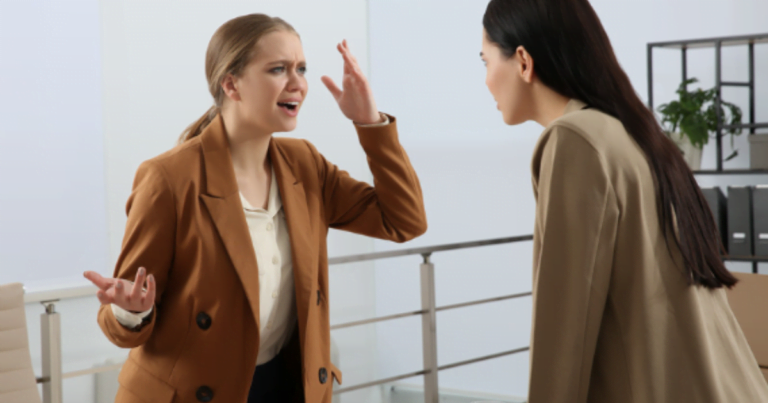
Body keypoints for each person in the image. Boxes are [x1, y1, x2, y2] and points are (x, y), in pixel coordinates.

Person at [83, 13, 427, 403]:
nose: (298, 83)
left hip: (284, 385)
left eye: (301, 68)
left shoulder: (305, 164)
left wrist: (370, 123)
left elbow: (403, 220)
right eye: (278, 69)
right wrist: (132, 311)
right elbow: (123, 324)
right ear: (231, 84)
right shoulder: (169, 178)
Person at [480, 0, 768, 402]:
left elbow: (565, 332)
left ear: (523, 62)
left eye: (485, 60)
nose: (487, 79)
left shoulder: (575, 141)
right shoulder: (633, 133)